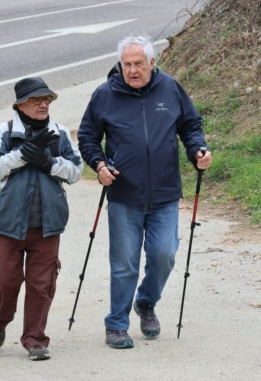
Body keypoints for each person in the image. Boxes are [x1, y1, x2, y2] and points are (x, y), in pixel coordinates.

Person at [77, 35, 212, 349]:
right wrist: (98, 164)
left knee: (164, 255)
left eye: (139, 63)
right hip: (125, 194)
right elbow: (87, 137)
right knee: (124, 264)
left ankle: (146, 302)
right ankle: (116, 325)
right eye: (127, 64)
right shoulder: (105, 95)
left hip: (165, 192)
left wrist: (198, 150)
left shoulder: (170, 88)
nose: (133, 70)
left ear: (152, 62)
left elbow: (190, 126)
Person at [0, 77, 83, 361]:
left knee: (42, 284)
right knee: (6, 281)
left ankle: (35, 339)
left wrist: (49, 162)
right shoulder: (5, 131)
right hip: (7, 223)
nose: (43, 104)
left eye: (46, 99)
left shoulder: (59, 133)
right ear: (20, 105)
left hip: (47, 225)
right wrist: (23, 155)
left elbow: (76, 171)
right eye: (36, 100)